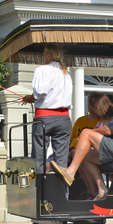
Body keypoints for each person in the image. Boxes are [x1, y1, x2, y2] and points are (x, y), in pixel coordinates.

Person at [50, 76, 113, 201]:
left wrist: (89, 133)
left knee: (86, 133)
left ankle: (70, 172)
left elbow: (109, 130)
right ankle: (99, 190)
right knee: (83, 156)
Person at [21, 44, 73, 174]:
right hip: (64, 118)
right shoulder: (65, 72)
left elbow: (40, 92)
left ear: (49, 56)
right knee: (62, 161)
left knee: (39, 157)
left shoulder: (42, 70)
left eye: (44, 54)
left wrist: (31, 98)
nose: (43, 57)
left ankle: (39, 190)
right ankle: (61, 193)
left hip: (45, 117)